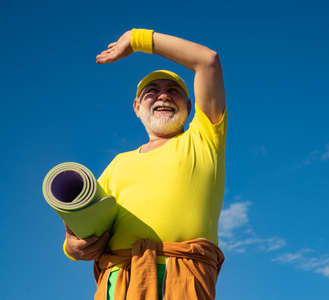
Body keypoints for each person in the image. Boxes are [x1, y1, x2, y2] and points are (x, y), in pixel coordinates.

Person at [63, 28, 227, 300]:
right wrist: (72, 245)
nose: (163, 95)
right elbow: (83, 221)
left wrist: (137, 39)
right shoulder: (118, 164)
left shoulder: (204, 138)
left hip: (183, 281)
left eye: (173, 90)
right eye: (152, 91)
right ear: (137, 107)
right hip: (120, 283)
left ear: (189, 105)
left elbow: (207, 60)